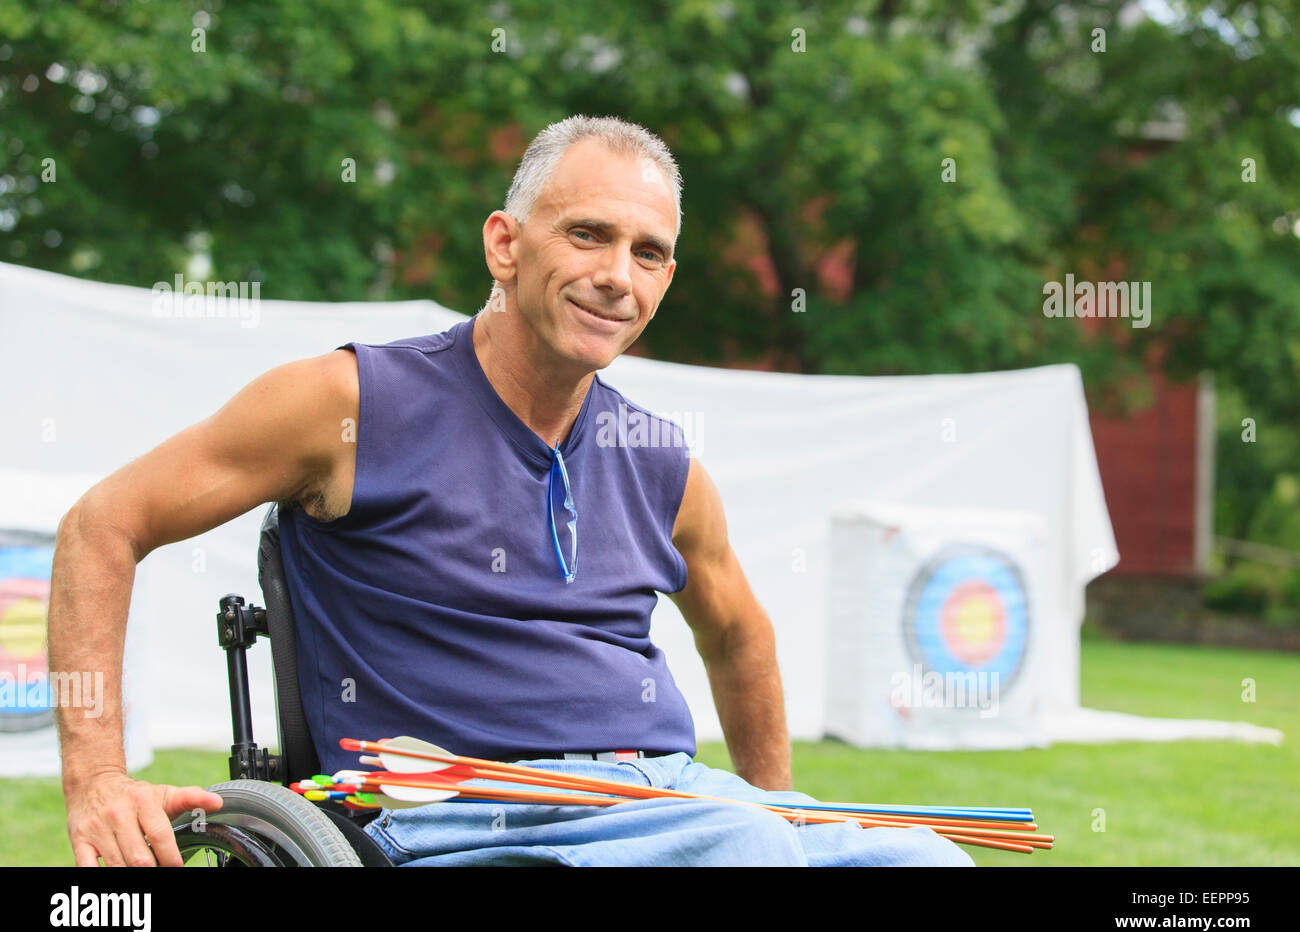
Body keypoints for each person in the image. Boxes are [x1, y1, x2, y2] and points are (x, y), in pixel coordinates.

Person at [49, 114, 972, 866]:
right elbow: (104, 523)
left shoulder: (663, 462)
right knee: (742, 852)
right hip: (453, 813)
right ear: (505, 244)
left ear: (666, 281)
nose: (617, 275)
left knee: (929, 862)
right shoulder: (349, 404)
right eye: (588, 235)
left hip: (672, 800)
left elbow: (738, 633)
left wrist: (778, 808)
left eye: (647, 253)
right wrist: (98, 779)